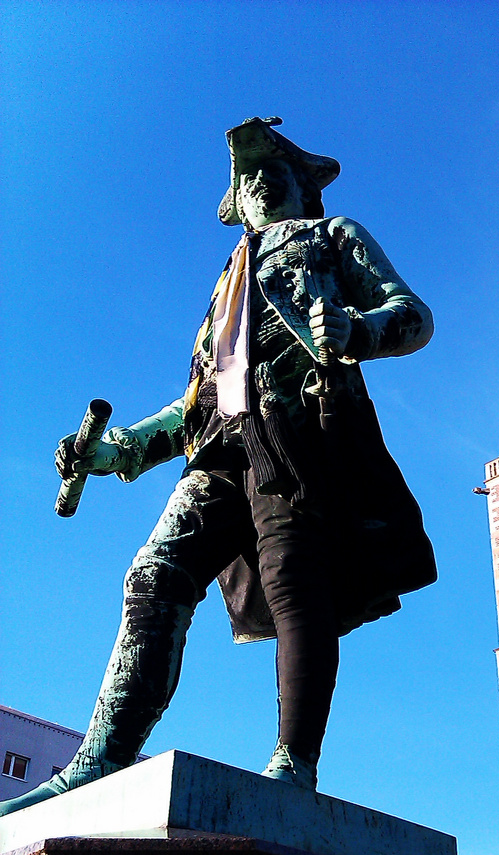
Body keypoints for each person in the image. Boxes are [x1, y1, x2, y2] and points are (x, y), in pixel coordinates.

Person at [0, 117, 435, 816]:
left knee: (297, 584)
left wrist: (360, 330)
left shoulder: (330, 237)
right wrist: (116, 451)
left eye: (272, 172)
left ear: (301, 186)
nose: (257, 183)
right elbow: (196, 400)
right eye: (246, 178)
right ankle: (103, 756)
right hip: (220, 447)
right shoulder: (224, 285)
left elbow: (411, 315)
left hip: (297, 438)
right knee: (152, 575)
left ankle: (293, 763)